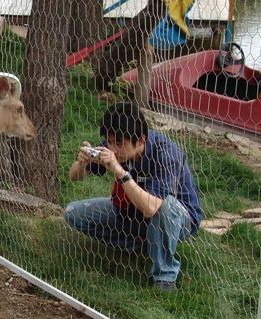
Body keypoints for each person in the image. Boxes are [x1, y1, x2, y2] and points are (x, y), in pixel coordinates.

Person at [63, 103, 202, 292]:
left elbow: (151, 208)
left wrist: (120, 172)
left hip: (177, 219)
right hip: (134, 212)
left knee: (163, 206)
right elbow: (73, 176)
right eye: (109, 142)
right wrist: (82, 163)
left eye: (119, 143)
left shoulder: (167, 154)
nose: (113, 148)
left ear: (141, 139)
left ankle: (165, 277)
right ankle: (142, 243)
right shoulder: (114, 148)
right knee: (73, 213)